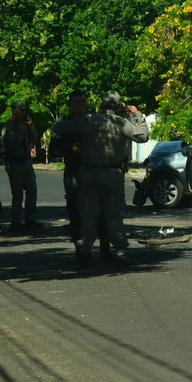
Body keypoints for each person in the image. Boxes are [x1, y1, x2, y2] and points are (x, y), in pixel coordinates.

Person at [52, 90, 149, 269]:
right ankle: (120, 252)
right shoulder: (122, 123)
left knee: (88, 215)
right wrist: (137, 115)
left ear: (102, 104)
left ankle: (85, 253)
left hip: (88, 173)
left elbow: (58, 127)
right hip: (113, 174)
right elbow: (142, 136)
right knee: (114, 216)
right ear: (117, 106)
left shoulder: (89, 121)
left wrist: (72, 117)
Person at [49, 91, 110, 258]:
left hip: (96, 172)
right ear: (70, 106)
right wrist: (70, 149)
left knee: (102, 212)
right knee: (77, 213)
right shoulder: (63, 125)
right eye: (77, 102)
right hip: (74, 174)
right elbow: (53, 151)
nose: (81, 104)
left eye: (83, 101)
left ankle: (106, 249)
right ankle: (81, 251)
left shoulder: (94, 121)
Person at [1, 99, 40, 233]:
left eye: (24, 110)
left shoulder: (25, 125)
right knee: (17, 193)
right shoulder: (9, 126)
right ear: (14, 110)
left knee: (32, 190)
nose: (23, 112)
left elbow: (34, 139)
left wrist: (30, 126)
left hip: (26, 161)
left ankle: (30, 219)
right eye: (21, 110)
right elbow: (10, 144)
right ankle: (15, 221)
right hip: (14, 162)